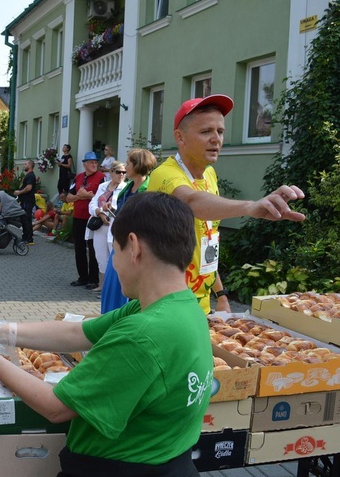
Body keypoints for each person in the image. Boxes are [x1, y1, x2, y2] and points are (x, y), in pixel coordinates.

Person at [0, 192, 211, 477]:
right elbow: (76, 333)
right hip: (171, 467)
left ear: (134, 246)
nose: (114, 264)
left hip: (122, 474)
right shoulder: (181, 306)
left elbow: (56, 407)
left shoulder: (141, 336)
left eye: (114, 251)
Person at [148, 94, 305, 314]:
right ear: (180, 137)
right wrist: (250, 207)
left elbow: (208, 239)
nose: (216, 139)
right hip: (165, 305)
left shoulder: (210, 174)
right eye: (206, 132)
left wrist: (221, 295)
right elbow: (191, 201)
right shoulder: (164, 174)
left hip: (199, 304)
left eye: (220, 131)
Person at [100, 148, 158, 313]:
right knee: (112, 287)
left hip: (136, 249)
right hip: (121, 244)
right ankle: (110, 323)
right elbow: (123, 214)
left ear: (138, 165)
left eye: (128, 163)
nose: (125, 167)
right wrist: (113, 209)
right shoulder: (128, 188)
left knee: (129, 292)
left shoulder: (149, 190)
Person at [66, 151, 105, 288]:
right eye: (92, 162)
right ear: (85, 164)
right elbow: (68, 197)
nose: (94, 165)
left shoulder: (102, 177)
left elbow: (103, 198)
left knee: (93, 248)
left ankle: (93, 279)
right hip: (78, 217)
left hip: (92, 219)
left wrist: (88, 196)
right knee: (79, 248)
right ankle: (82, 277)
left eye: (96, 162)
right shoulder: (78, 178)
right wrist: (80, 196)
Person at [87, 161, 127, 293]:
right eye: (118, 172)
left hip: (114, 227)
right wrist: (99, 212)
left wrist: (108, 213)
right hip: (100, 226)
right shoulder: (103, 186)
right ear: (111, 173)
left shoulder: (125, 188)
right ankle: (102, 285)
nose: (121, 175)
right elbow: (92, 204)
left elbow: (122, 208)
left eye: (124, 172)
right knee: (100, 255)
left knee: (114, 256)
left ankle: (115, 288)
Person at [13, 159, 37, 245]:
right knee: (24, 219)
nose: (24, 165)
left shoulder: (30, 176)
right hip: (24, 201)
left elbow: (28, 188)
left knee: (27, 219)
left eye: (26, 164)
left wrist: (19, 192)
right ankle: (25, 236)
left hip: (28, 201)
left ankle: (29, 238)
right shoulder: (28, 175)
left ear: (30, 165)